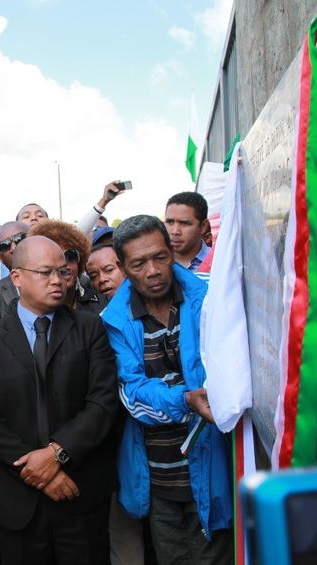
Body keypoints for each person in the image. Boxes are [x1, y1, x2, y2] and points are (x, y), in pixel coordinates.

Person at [0, 236, 120, 565]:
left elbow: (103, 402)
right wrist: (38, 469)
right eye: (46, 272)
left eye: (63, 273)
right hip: (17, 498)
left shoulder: (90, 328)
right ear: (17, 277)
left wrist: (58, 453)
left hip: (80, 491)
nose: (58, 281)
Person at [101, 215, 233, 565]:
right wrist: (185, 397)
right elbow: (133, 394)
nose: (153, 270)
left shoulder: (208, 298)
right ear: (123, 268)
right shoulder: (113, 321)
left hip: (213, 465)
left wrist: (169, 391)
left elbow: (224, 376)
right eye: (139, 263)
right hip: (158, 477)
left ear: (171, 252)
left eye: (160, 257)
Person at [28, 220, 108, 315]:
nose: (64, 265)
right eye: (54, 258)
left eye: (70, 256)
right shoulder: (30, 309)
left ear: (80, 260)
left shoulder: (103, 302)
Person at [164, 192, 211, 273]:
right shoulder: (155, 264)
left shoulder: (218, 262)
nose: (175, 231)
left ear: (203, 226)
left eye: (184, 223)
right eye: (170, 222)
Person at [0, 221, 29, 316]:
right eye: (4, 245)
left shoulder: (57, 280)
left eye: (20, 239)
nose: (13, 248)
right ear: (0, 257)